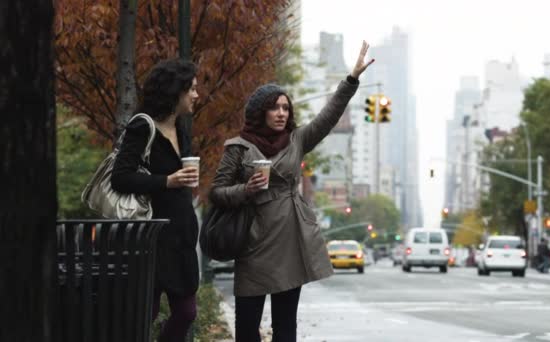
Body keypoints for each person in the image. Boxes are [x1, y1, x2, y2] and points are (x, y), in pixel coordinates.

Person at [209, 41, 374, 341]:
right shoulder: (238, 147)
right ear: (260, 111)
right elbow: (217, 192)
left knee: (286, 326)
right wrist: (246, 189)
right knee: (246, 328)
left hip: (290, 238)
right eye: (274, 107)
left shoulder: (296, 140)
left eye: (286, 108)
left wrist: (351, 80)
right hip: (253, 242)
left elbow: (328, 117)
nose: (282, 113)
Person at [111, 59, 201, 342]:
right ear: (176, 91)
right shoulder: (142, 127)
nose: (196, 95)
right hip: (150, 239)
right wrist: (167, 181)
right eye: (192, 89)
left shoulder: (182, 131)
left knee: (186, 312)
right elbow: (120, 177)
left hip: (181, 237)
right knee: (143, 316)